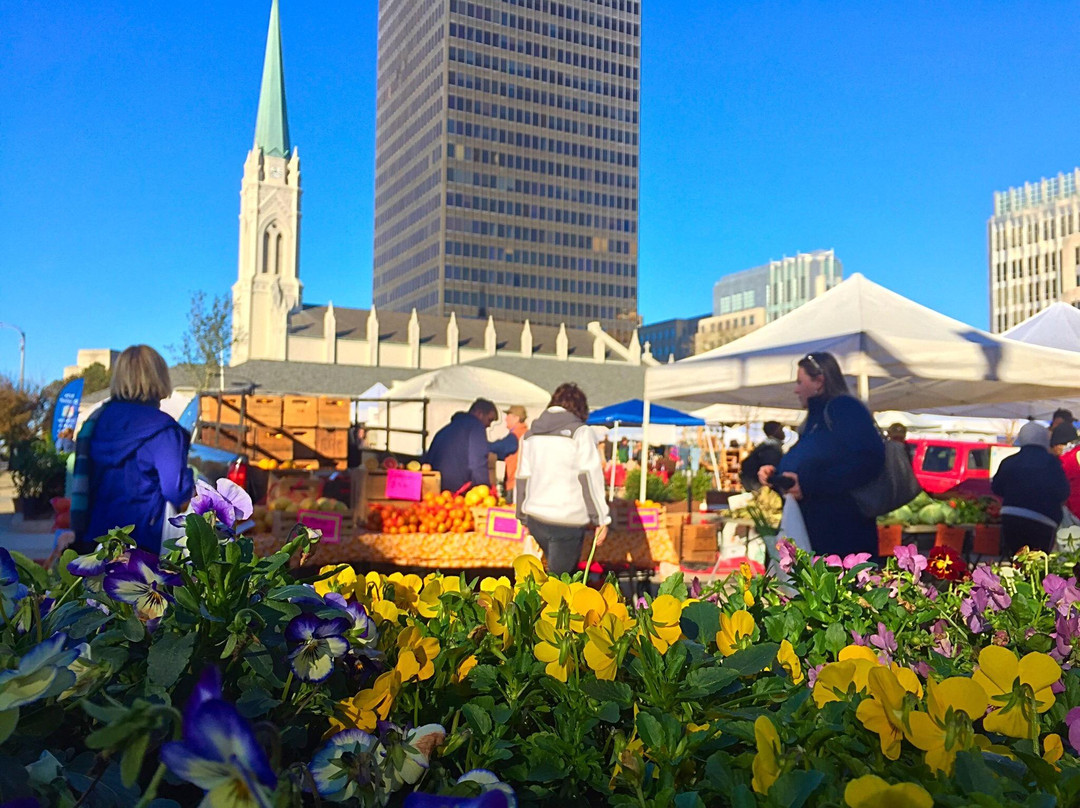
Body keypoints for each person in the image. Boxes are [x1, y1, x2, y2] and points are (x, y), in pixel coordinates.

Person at [758, 352, 885, 556]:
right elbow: (810, 464)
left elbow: (869, 460)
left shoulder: (844, 408)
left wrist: (809, 484)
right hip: (817, 533)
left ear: (819, 381)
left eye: (800, 382)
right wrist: (776, 476)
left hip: (842, 539)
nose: (796, 389)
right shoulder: (814, 420)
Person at [71, 345, 194, 555]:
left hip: (95, 542)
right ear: (159, 376)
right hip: (144, 547)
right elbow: (176, 491)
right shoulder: (164, 430)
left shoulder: (94, 422)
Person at [515, 383, 610, 575]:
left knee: (546, 577)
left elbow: (522, 477)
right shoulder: (580, 433)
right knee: (561, 584)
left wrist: (522, 516)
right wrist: (601, 518)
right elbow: (590, 477)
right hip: (567, 520)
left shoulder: (530, 434)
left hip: (536, 518)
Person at [992, 421, 1070, 554]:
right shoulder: (1052, 463)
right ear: (1045, 439)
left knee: (1017, 560)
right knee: (1039, 563)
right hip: (1044, 520)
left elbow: (996, 487)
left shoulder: (1009, 461)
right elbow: (1063, 492)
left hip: (1011, 516)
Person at [423, 399, 518, 494]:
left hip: (435, 492)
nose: (489, 425)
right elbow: (478, 462)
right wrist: (485, 490)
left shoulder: (445, 430)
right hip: (458, 494)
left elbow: (427, 463)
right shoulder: (476, 427)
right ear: (480, 413)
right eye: (489, 420)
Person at [739, 421, 785, 492]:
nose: (783, 433)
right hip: (763, 489)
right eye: (781, 429)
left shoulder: (764, 447)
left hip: (755, 486)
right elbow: (770, 473)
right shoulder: (771, 449)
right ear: (774, 431)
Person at [501, 405, 529, 503]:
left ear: (516, 418)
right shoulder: (527, 434)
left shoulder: (515, 436)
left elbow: (497, 448)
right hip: (525, 484)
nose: (505, 418)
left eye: (508, 415)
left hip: (514, 484)